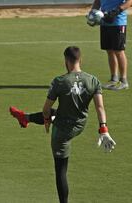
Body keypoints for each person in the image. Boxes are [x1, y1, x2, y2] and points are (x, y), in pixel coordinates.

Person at [9, 46, 116, 203]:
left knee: (60, 170)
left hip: (62, 131)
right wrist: (103, 129)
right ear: (81, 59)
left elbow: (46, 109)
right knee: (56, 113)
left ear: (66, 61)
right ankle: (25, 118)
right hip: (80, 124)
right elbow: (100, 107)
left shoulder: (59, 82)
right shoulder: (93, 80)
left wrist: (46, 120)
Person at [89, 0, 132, 90]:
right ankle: (114, 79)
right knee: (109, 51)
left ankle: (124, 81)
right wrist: (92, 13)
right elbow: (97, 1)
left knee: (119, 51)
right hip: (104, 21)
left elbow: (129, 1)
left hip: (118, 22)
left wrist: (116, 11)